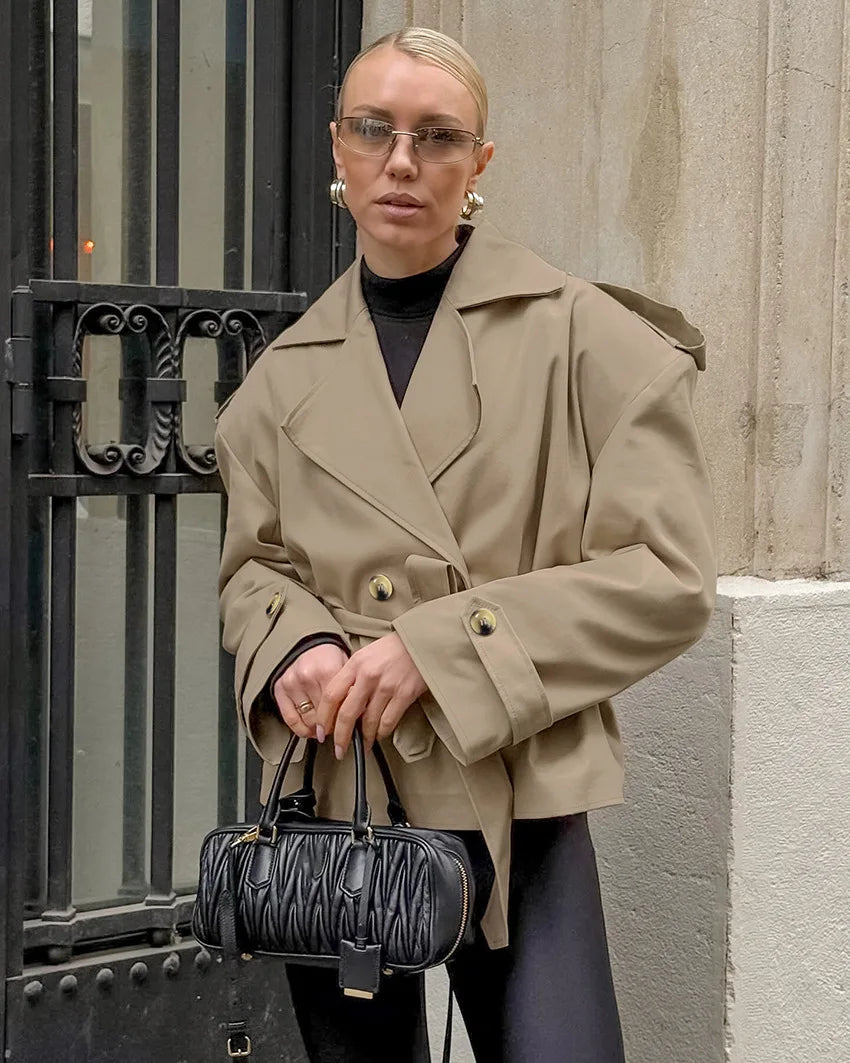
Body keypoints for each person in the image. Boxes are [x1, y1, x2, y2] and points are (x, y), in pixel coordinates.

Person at [215, 26, 716, 1063]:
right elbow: (254, 567)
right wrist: (294, 642)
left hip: (521, 793)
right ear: (337, 148)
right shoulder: (279, 378)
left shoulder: (590, 341)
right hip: (342, 792)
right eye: (374, 130)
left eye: (437, 136)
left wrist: (441, 647)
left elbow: (665, 577)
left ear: (478, 161)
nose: (402, 161)